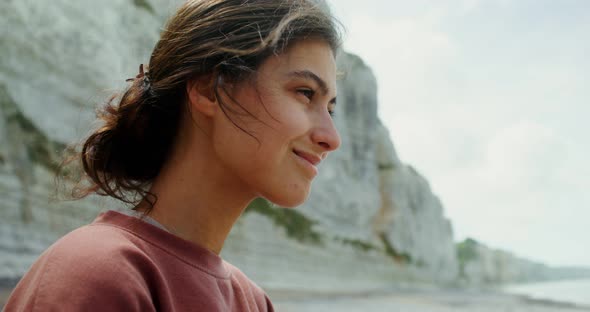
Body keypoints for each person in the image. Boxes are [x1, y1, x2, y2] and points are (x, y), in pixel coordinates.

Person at [4, 0, 341, 311]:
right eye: (305, 93)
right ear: (210, 89)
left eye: (330, 108)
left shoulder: (253, 301)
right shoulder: (97, 273)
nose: (332, 138)